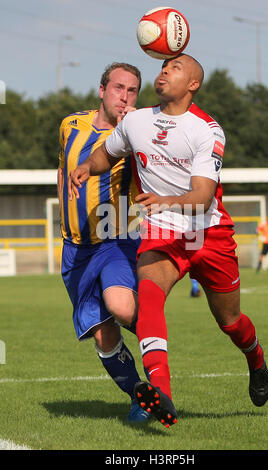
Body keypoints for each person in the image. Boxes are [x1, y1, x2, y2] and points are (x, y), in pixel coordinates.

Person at [68, 54, 268, 428]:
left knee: (229, 321)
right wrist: (85, 166)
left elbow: (204, 197)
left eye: (174, 69)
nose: (163, 73)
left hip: (206, 232)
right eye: (162, 68)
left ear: (192, 84)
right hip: (162, 231)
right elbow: (106, 152)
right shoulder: (137, 121)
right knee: (148, 297)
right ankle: (161, 394)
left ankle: (256, 359)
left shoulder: (207, 130)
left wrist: (164, 200)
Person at [57, 62, 150, 422]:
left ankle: (153, 330)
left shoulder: (136, 134)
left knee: (123, 307)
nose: (124, 97)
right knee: (102, 334)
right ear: (101, 90)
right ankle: (140, 397)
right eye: (118, 88)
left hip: (116, 237)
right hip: (74, 248)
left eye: (131, 91)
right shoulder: (70, 125)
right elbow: (65, 170)